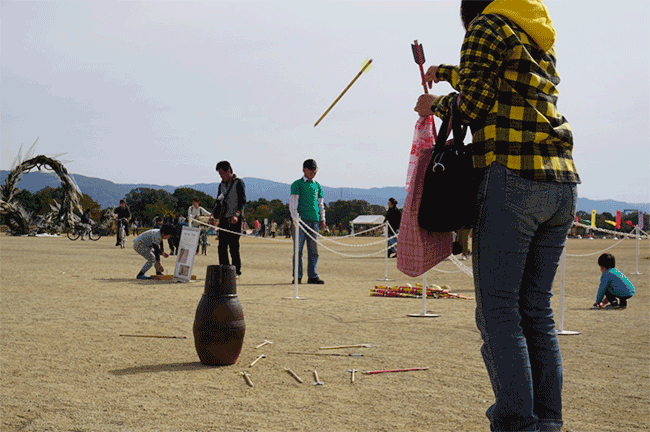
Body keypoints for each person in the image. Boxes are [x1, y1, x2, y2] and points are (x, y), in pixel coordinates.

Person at [414, 1, 581, 431]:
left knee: (499, 311)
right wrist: (450, 71)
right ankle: (548, 422)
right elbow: (503, 81)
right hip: (561, 182)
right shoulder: (534, 32)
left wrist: (433, 105)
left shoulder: (485, 26)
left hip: (513, 177)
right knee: (536, 310)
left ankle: (516, 422)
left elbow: (471, 106)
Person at [290, 159, 326, 284]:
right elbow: (293, 204)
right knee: (298, 250)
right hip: (300, 221)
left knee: (313, 250)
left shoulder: (317, 185)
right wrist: (295, 219)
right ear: (304, 169)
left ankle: (313, 275)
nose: (313, 173)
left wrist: (322, 218)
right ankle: (297, 276)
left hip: (314, 221)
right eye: (310, 170)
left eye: (315, 171)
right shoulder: (297, 184)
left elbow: (320, 203)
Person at [213, 161, 246, 277]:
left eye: (222, 173)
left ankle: (236, 271)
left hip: (234, 220)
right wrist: (214, 214)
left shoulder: (238, 183)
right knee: (221, 246)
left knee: (234, 247)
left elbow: (243, 201)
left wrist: (237, 215)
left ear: (229, 171)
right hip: (223, 219)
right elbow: (218, 201)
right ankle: (224, 269)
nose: (221, 176)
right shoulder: (221, 185)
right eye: (219, 174)